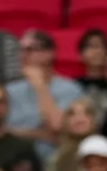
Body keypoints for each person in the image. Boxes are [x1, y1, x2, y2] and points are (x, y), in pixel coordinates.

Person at [6, 30, 84, 163]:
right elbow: (0, 132)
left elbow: (57, 127)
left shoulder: (70, 89)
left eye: (30, 50)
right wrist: (40, 134)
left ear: (49, 53)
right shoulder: (10, 90)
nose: (23, 56)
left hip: (55, 162)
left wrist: (40, 87)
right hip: (14, 162)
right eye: (21, 50)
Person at [45, 97, 107, 171]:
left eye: (86, 113)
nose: (79, 119)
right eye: (72, 114)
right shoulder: (57, 157)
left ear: (94, 119)